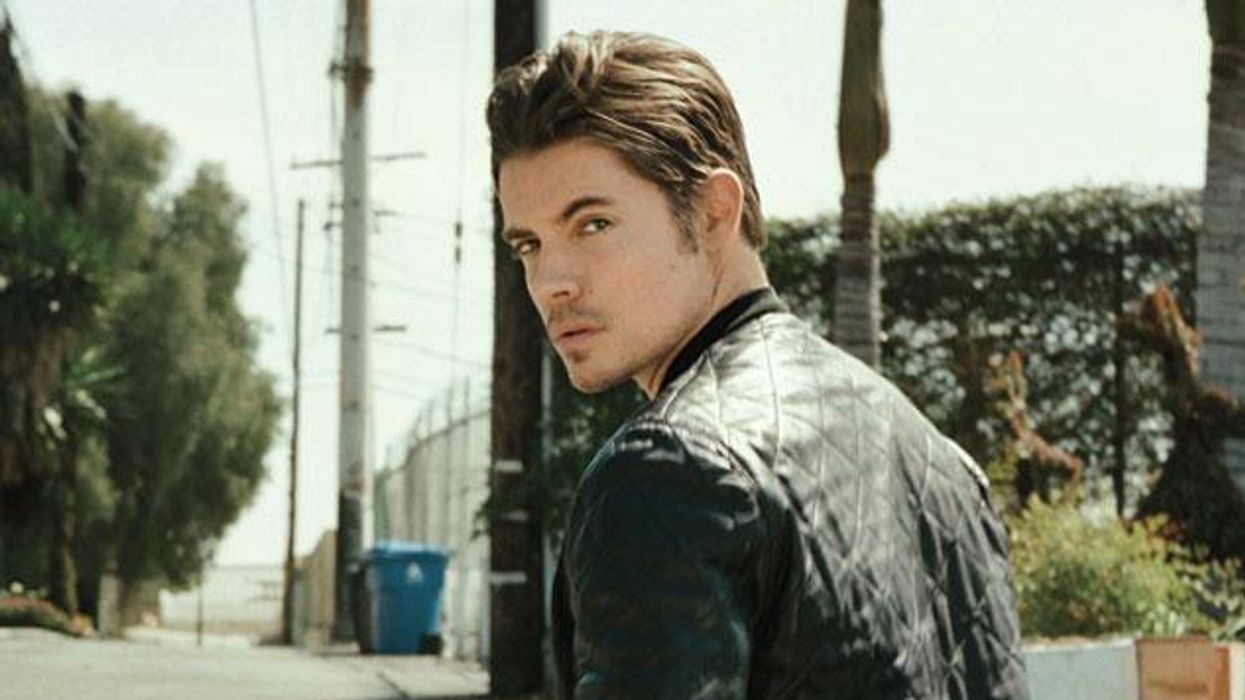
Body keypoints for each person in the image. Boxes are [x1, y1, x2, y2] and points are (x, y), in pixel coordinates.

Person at [488, 30, 1030, 700]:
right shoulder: (941, 461)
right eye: (529, 245)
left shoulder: (667, 471)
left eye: (592, 224)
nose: (551, 283)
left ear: (713, 212)